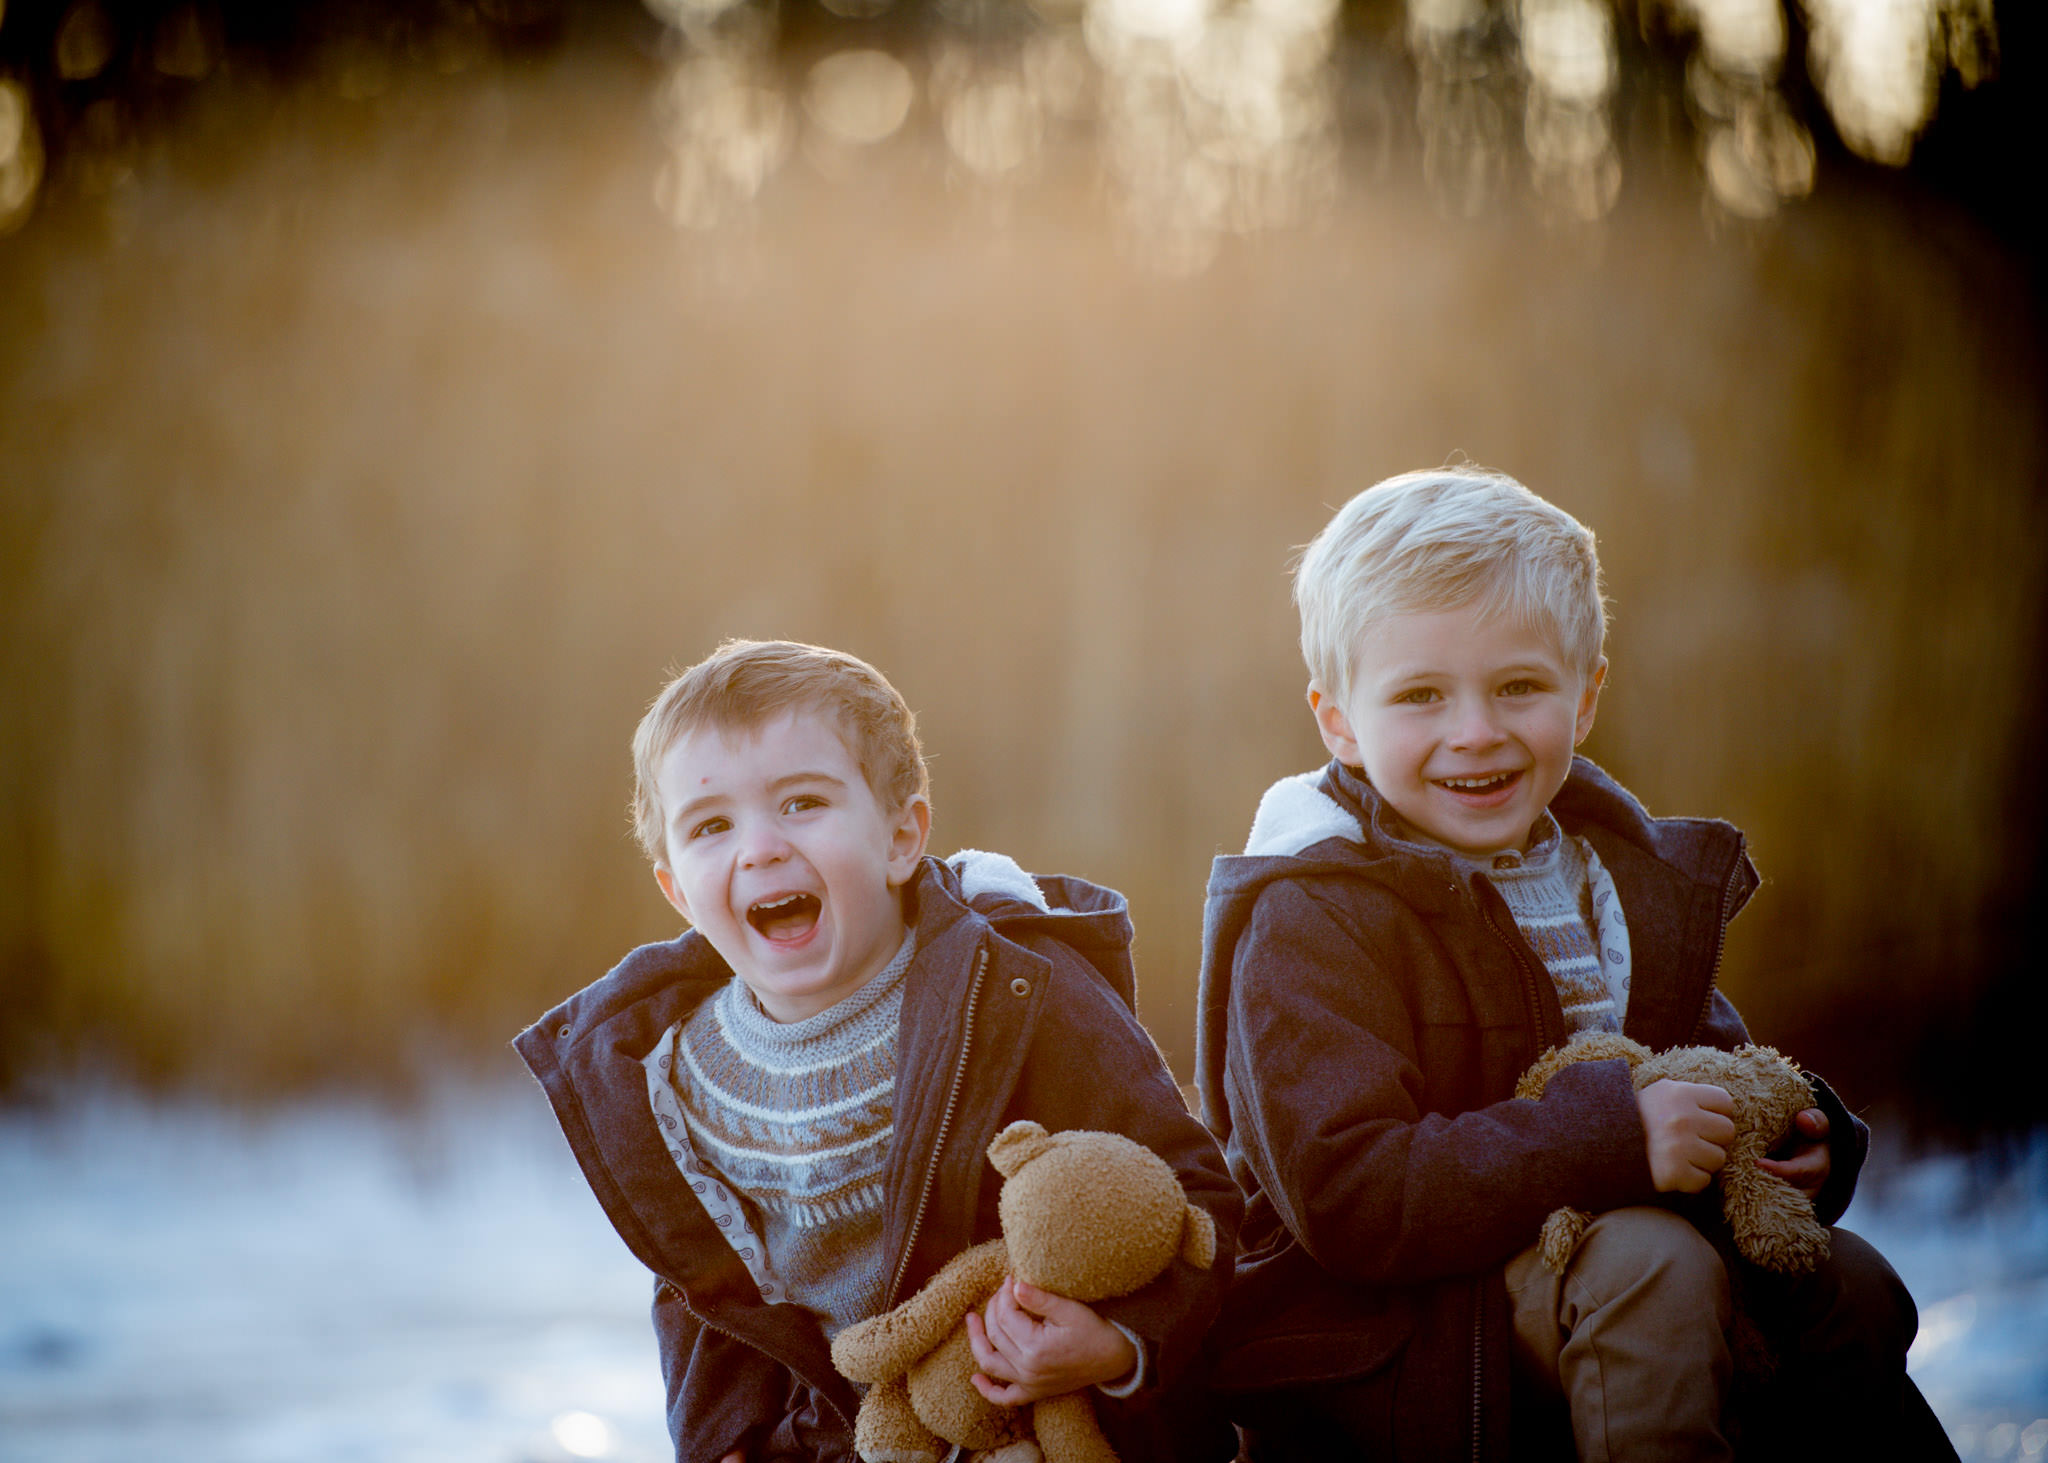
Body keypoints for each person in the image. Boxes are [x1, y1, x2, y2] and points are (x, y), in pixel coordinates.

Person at [1193, 469, 1948, 1461]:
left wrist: (1804, 1131)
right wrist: (1613, 1137)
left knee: (1842, 1279)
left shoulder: (1605, 873)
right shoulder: (1310, 909)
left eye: (1517, 685)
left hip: (1582, 1270)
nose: (1475, 730)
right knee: (1653, 1268)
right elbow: (1348, 1194)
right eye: (1419, 695)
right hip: (1394, 1336)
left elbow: (1700, 1052)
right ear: (1337, 719)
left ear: (1583, 696)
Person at [517, 639, 1239, 1463]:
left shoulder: (1015, 994)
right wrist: (723, 1439)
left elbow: (1196, 1198)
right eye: (712, 825)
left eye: (801, 803)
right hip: (832, 1440)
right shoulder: (675, 1074)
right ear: (678, 889)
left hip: (1032, 1420)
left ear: (902, 837)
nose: (759, 847)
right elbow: (704, 1293)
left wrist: (1116, 1342)